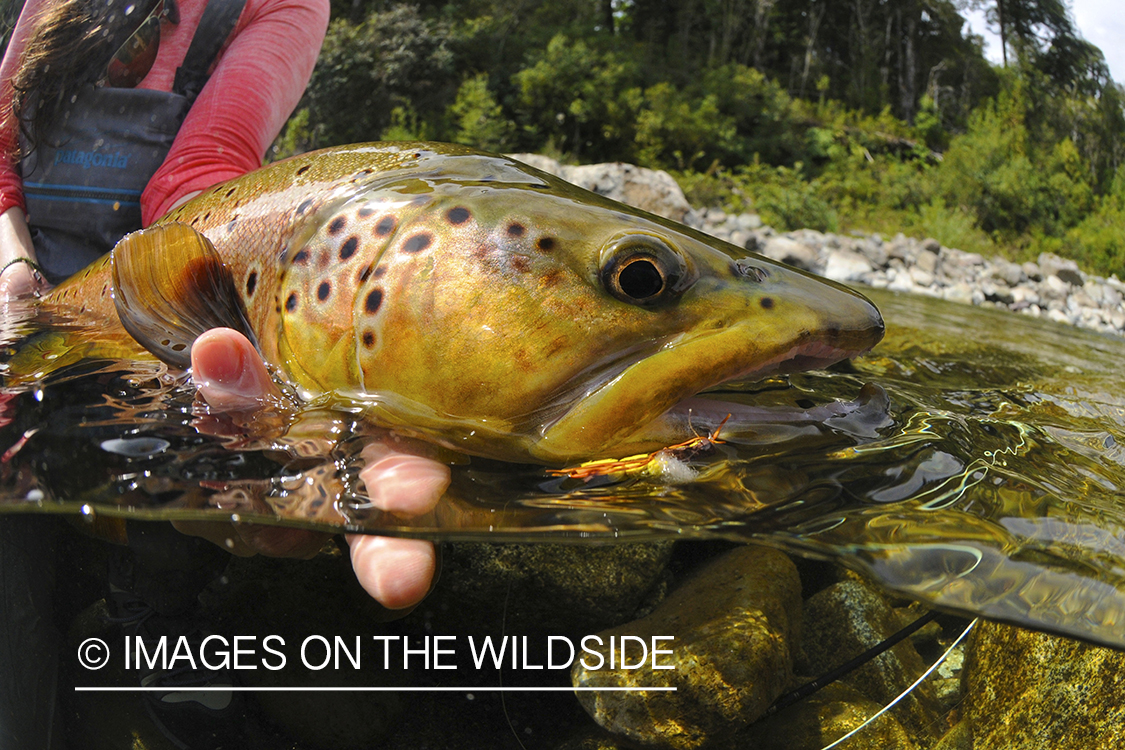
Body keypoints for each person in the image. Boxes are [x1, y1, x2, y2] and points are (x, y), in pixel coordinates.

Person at [0, 0, 444, 612]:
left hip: (165, 327)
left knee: (182, 502)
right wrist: (15, 272)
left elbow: (199, 170)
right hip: (16, 281)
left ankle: (153, 634)